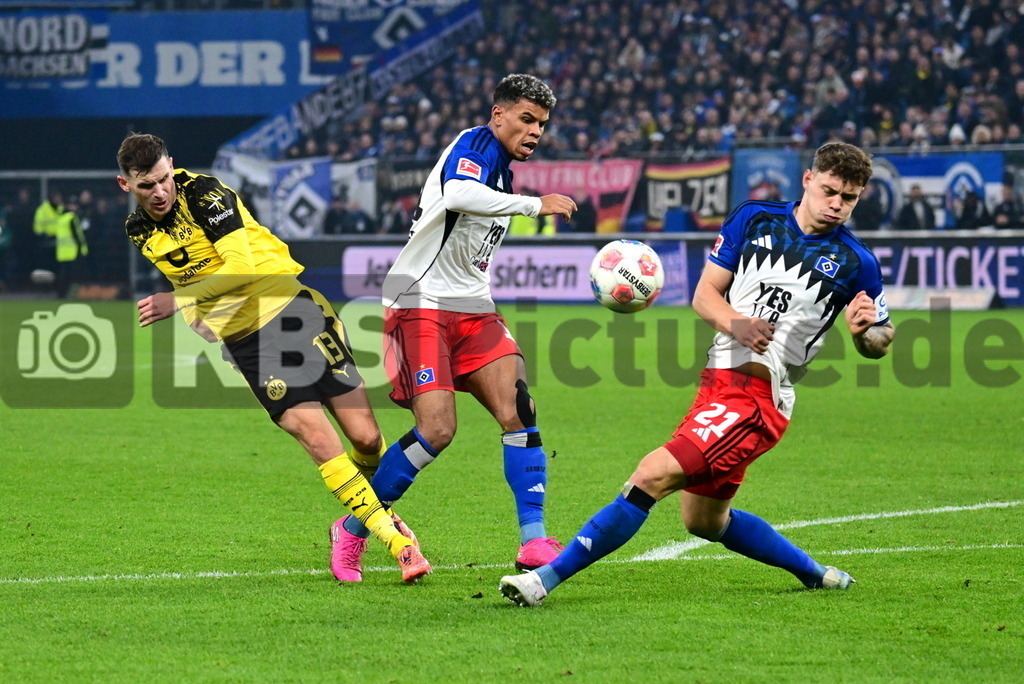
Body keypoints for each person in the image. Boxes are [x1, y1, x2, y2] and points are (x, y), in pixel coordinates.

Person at [500, 142, 895, 606]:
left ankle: (542, 581)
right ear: (808, 180)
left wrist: (865, 332)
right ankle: (815, 574)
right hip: (717, 384)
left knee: (649, 475)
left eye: (848, 198)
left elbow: (879, 341)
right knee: (704, 521)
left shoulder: (857, 262)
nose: (836, 205)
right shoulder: (754, 219)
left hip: (758, 400)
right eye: (829, 191)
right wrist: (738, 324)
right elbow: (705, 295)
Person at [115, 133, 430, 584]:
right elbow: (187, 270)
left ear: (172, 166)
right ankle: (397, 542)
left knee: (367, 439)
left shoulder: (207, 194)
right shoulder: (139, 229)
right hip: (248, 341)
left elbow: (239, 267)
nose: (159, 192)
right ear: (126, 185)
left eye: (164, 179)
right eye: (146, 186)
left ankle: (350, 527)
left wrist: (181, 301)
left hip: (295, 308)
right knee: (318, 440)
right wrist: (198, 315)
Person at [334, 74, 578, 575]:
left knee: (520, 410)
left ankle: (534, 541)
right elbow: (461, 194)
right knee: (437, 430)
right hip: (418, 301)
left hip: (474, 307)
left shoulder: (504, 171)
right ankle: (355, 528)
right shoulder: (474, 145)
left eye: (542, 124)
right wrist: (536, 204)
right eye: (526, 119)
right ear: (499, 115)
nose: (535, 131)